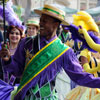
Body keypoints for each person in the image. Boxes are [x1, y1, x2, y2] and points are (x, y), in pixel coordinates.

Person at [1, 4, 100, 100]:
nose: (40, 23)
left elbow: (80, 77)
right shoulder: (26, 42)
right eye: (40, 20)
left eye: (45, 21)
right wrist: (8, 60)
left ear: (56, 24)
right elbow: (17, 71)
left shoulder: (64, 51)